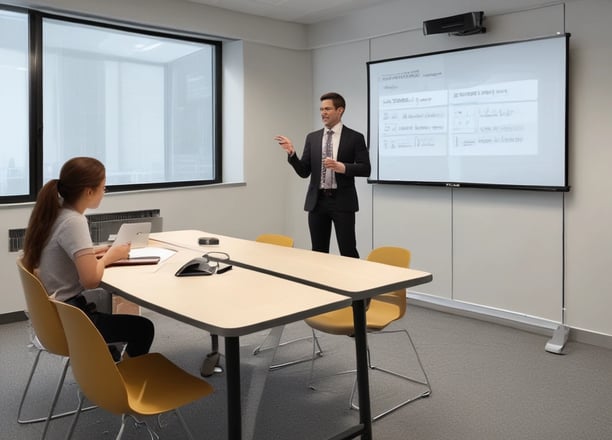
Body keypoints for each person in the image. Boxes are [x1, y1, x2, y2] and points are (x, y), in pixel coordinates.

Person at [22, 157, 154, 358]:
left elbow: (61, 254)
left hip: (56, 316)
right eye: (103, 187)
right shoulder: (74, 222)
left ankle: (108, 367)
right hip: (73, 320)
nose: (104, 192)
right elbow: (91, 280)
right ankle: (123, 381)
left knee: (117, 322)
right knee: (143, 328)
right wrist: (111, 255)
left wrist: (94, 252)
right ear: (89, 191)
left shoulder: (56, 214)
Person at [275, 92, 371, 258]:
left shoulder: (355, 137)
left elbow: (365, 168)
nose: (323, 113)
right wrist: (292, 154)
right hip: (317, 202)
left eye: (327, 109)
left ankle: (353, 284)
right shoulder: (312, 138)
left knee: (348, 251)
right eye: (321, 109)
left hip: (342, 201)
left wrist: (342, 167)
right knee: (318, 253)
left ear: (340, 110)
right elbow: (304, 172)